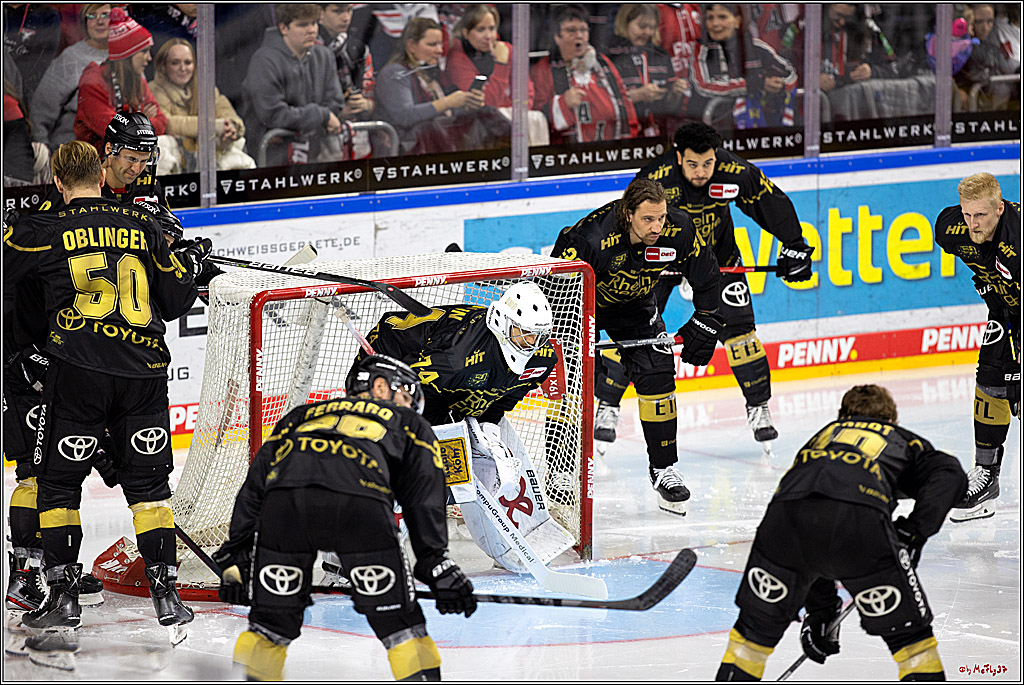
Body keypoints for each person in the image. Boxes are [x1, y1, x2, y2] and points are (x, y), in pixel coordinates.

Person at [2, 141, 213, 659]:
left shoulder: (45, 229)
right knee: (149, 488)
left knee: (56, 485)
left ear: (57, 181)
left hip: (78, 372)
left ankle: (62, 597)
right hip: (144, 373)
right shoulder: (142, 224)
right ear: (101, 174)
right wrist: (188, 263)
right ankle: (167, 596)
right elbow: (176, 300)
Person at [212, 355, 476, 682]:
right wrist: (434, 560)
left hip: (285, 509)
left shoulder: (300, 415)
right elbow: (424, 494)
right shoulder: (409, 422)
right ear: (380, 386)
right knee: (401, 626)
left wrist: (237, 550)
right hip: (359, 508)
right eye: (406, 395)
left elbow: (255, 484)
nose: (409, 405)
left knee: (269, 626)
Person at [715, 384, 967, 681]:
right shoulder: (901, 438)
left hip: (784, 519)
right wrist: (914, 532)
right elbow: (950, 474)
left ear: (841, 416)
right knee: (913, 645)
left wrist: (822, 612)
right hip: (859, 522)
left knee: (750, 639)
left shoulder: (822, 438)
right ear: (892, 419)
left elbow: (814, 528)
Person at [596, 122, 813, 455]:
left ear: (717, 156)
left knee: (741, 333)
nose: (701, 172)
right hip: (658, 263)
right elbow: (627, 223)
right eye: (693, 164)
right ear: (678, 157)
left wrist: (795, 244)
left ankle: (759, 408)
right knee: (631, 333)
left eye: (708, 163)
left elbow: (768, 201)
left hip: (717, 261)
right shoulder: (655, 179)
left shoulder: (734, 171)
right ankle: (607, 406)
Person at [552, 178, 723, 515]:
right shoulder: (590, 239)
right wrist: (572, 345)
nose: (657, 227)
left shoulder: (679, 229)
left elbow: (706, 275)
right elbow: (557, 295)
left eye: (661, 217)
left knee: (658, 372)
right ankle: (561, 471)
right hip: (580, 307)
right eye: (648, 219)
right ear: (628, 214)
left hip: (635, 307)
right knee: (573, 382)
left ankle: (663, 468)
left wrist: (707, 318)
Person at [934, 173, 1020, 522]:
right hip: (1004, 312)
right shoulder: (950, 228)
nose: (973, 223)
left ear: (999, 209)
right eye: (967, 214)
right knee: (990, 380)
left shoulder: (1018, 240)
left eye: (981, 215)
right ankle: (986, 476)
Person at [375, 17, 509, 155]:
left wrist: (468, 104)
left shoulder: (433, 73)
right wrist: (447, 102)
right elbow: (405, 116)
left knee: (487, 113)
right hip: (407, 149)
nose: (439, 50)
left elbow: (449, 114)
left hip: (436, 144)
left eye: (440, 44)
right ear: (411, 46)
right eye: (432, 44)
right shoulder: (394, 73)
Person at [241, 3, 346, 167]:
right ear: (284, 28)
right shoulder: (263, 61)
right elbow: (273, 115)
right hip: (272, 159)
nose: (311, 30)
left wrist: (313, 119)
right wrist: (320, 116)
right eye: (302, 25)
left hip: (315, 155)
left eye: (314, 23)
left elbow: (335, 103)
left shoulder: (325, 56)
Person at [530, 4, 639, 144]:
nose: (579, 36)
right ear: (557, 37)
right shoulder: (542, 71)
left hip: (612, 149)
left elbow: (626, 103)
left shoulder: (603, 63)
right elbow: (536, 120)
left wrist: (629, 143)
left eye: (583, 30)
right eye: (571, 31)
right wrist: (562, 104)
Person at [443, 4, 549, 146]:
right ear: (466, 33)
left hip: (509, 119)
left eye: (491, 29)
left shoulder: (507, 49)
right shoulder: (457, 59)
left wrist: (507, 110)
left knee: (536, 118)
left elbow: (526, 95)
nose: (488, 36)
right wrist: (501, 64)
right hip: (474, 130)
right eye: (481, 30)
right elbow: (487, 107)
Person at [72, 7, 169, 157]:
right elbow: (116, 132)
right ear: (127, 54)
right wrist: (144, 118)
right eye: (144, 52)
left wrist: (135, 126)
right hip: (95, 164)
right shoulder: (93, 81)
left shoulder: (138, 80)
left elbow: (162, 122)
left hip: (129, 159)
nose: (149, 58)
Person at [149, 38, 256, 172]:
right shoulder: (153, 90)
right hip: (177, 160)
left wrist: (232, 127)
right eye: (175, 63)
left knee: (245, 162)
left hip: (209, 154)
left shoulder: (204, 88)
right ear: (163, 66)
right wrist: (214, 127)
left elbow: (226, 112)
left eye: (188, 62)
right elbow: (168, 123)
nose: (183, 68)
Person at [687, 3, 798, 129]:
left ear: (737, 21)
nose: (715, 24)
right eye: (710, 18)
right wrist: (752, 85)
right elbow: (703, 86)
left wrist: (780, 86)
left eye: (722, 17)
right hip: (710, 127)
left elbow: (792, 74)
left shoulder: (756, 47)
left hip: (754, 129)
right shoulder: (700, 49)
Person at [39, 111, 167, 211]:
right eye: (131, 159)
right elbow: (42, 228)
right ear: (109, 149)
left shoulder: (150, 185)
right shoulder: (76, 183)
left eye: (144, 161)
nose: (136, 169)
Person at [29, 4, 110, 152]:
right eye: (92, 16)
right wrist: (42, 153)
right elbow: (41, 109)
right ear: (85, 22)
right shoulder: (70, 58)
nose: (99, 21)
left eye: (106, 15)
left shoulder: (127, 56)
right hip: (71, 152)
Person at [606, 4, 687, 139]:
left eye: (652, 27)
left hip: (658, 136)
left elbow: (670, 109)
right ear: (625, 23)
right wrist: (636, 96)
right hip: (622, 137)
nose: (647, 32)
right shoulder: (610, 56)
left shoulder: (661, 55)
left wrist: (675, 94)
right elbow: (601, 106)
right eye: (642, 26)